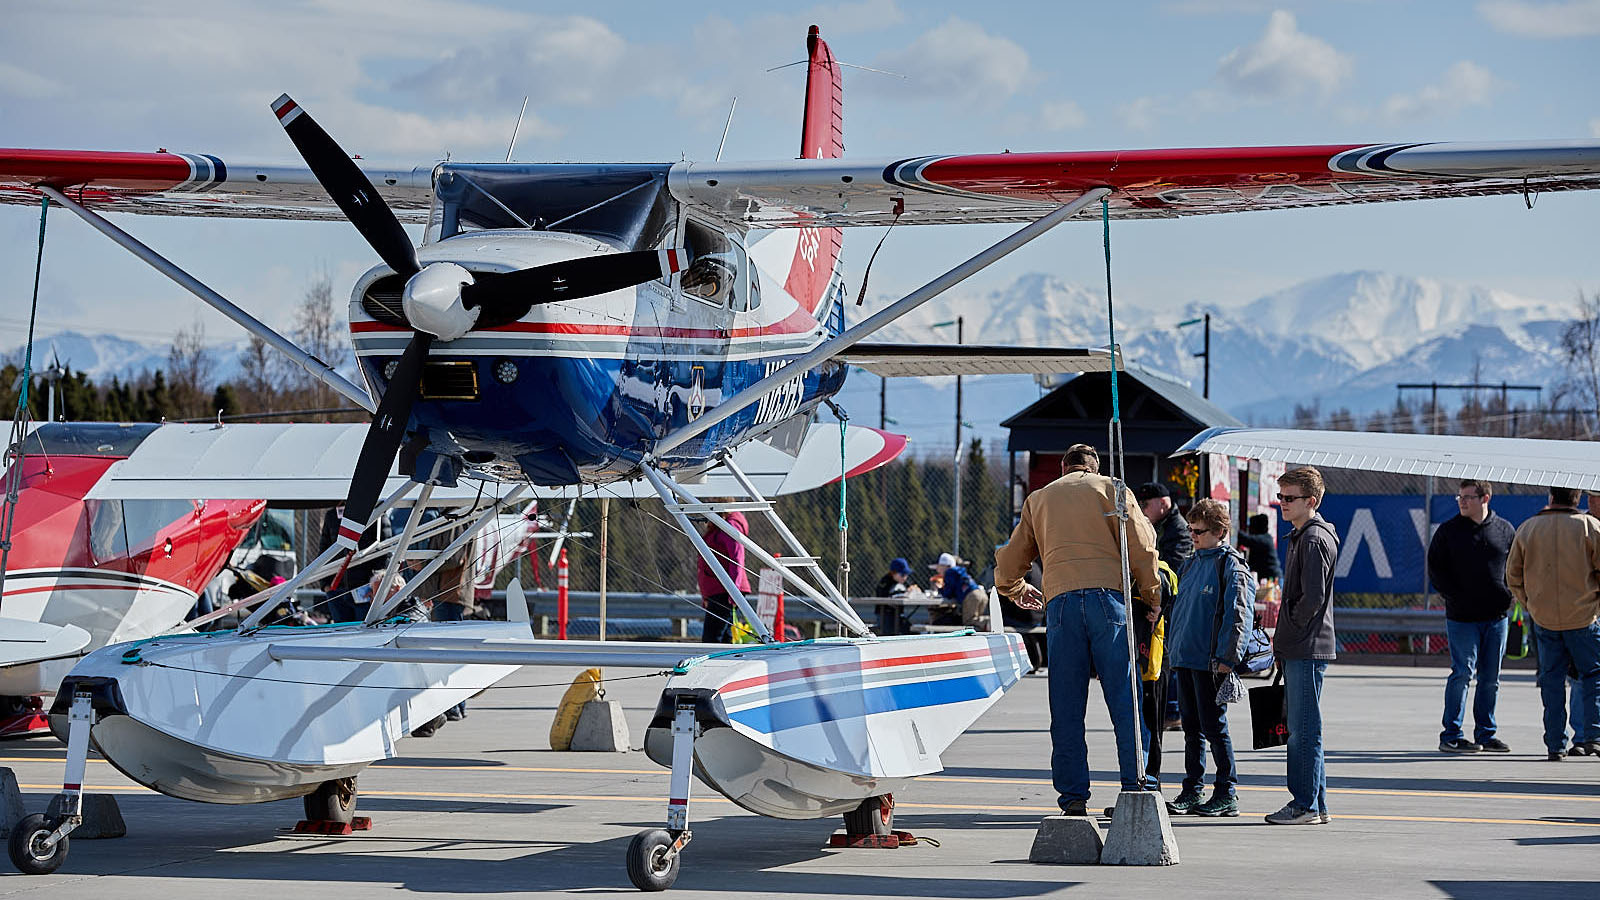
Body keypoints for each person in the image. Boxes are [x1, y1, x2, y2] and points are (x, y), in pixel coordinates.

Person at [995, 443, 1161, 818]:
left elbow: (1010, 559)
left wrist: (1015, 589)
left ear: (1063, 468)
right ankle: (1136, 787)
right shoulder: (1114, 488)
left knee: (1067, 706)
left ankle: (1073, 798)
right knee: (1125, 701)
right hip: (1109, 601)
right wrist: (1152, 596)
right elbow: (1142, 545)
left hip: (1061, 604)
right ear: (1094, 467)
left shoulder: (1039, 499)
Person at [1165, 498, 1253, 818]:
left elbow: (1239, 615)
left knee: (1214, 728)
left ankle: (1227, 791)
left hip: (1211, 661)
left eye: (1199, 531)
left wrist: (1228, 658)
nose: (1193, 536)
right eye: (1191, 529)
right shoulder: (1191, 563)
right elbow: (1180, 610)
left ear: (1220, 531)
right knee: (1191, 728)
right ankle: (1192, 789)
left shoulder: (1231, 565)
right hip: (1185, 657)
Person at [1506, 486, 1600, 761]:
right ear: (1577, 498)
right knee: (1593, 675)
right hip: (1583, 617)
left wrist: (1531, 605)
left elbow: (1513, 575)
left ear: (1551, 498)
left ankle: (1556, 744)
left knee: (1552, 681)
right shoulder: (1589, 526)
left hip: (1544, 619)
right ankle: (1594, 736)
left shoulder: (1528, 528)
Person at [1267, 466, 1339, 826]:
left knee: (1303, 730)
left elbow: (1312, 598)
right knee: (1305, 728)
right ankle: (1316, 804)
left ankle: (1304, 805)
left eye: (1290, 497)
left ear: (1311, 501)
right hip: (1302, 645)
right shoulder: (1303, 535)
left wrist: (1290, 632)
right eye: (1281, 496)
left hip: (1306, 646)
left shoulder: (1312, 539)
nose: (1283, 503)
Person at [1427, 479, 1516, 754]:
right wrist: (1454, 596)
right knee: (1462, 673)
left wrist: (1510, 595)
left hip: (1497, 617)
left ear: (1485, 498)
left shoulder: (1505, 529)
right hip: (1462, 618)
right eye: (1460, 497)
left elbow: (1516, 567)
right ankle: (1451, 735)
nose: (1462, 502)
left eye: (1468, 497)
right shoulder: (1449, 531)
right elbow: (1435, 569)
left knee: (1491, 678)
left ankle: (1486, 734)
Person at [697, 509, 750, 643]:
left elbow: (737, 558)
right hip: (717, 590)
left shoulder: (729, 526)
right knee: (724, 637)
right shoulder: (716, 529)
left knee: (712, 638)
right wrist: (706, 595)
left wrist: (734, 590)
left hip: (724, 591)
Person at [1137, 482, 1195, 570]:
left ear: (1163, 503)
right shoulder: (1155, 524)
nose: (1141, 510)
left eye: (1144, 505)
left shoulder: (1180, 532)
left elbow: (1174, 569)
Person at [931, 552, 989, 629]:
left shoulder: (949, 572)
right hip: (981, 594)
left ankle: (988, 622)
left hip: (971, 596)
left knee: (969, 621)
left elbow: (948, 593)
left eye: (939, 567)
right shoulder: (959, 572)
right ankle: (989, 622)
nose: (938, 570)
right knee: (976, 620)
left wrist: (940, 589)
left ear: (945, 566)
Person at [874, 557, 918, 635]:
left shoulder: (903, 581)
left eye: (906, 574)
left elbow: (913, 587)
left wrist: (913, 590)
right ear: (893, 573)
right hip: (885, 615)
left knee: (913, 632)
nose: (905, 577)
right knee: (891, 632)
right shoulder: (885, 583)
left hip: (899, 616)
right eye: (903, 574)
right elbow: (882, 598)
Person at [1237, 514, 1282, 582]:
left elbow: (1245, 539)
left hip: (1273, 579)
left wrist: (1233, 528)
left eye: (1250, 527)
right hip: (1267, 578)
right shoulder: (1265, 538)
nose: (1249, 530)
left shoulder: (1265, 539)